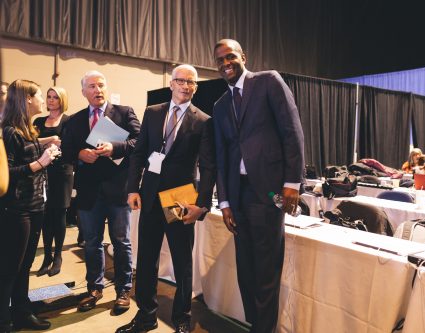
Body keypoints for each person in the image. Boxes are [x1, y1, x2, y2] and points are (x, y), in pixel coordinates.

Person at [212, 39, 304, 333]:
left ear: (243, 56)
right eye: (220, 60)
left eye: (230, 57)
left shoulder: (268, 82)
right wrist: (224, 202)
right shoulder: (220, 104)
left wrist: (292, 183)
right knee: (246, 269)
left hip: (269, 192)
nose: (226, 63)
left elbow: (292, 131)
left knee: (266, 267)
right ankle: (257, 324)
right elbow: (222, 156)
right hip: (237, 194)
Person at [115, 64, 216, 333]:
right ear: (171, 83)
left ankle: (182, 317)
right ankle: (146, 316)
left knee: (182, 260)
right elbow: (138, 154)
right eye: (181, 81)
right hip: (149, 193)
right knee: (147, 259)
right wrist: (132, 189)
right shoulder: (153, 112)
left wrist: (202, 204)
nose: (185, 86)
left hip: (180, 198)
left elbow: (208, 167)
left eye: (191, 82)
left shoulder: (203, 120)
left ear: (195, 87)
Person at [61, 70, 140, 314]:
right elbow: (65, 150)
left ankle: (123, 290)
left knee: (121, 242)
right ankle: (94, 288)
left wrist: (115, 147)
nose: (98, 90)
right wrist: (78, 155)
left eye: (101, 85)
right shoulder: (74, 120)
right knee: (93, 243)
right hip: (88, 193)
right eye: (92, 86)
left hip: (118, 191)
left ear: (107, 87)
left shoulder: (124, 113)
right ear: (84, 92)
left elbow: (139, 142)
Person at [0, 80, 62, 332]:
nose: (43, 101)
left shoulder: (28, 129)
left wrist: (46, 147)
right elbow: (7, 171)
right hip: (17, 208)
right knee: (10, 267)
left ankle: (22, 312)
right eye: (39, 95)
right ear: (27, 98)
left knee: (25, 264)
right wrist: (40, 162)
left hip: (36, 204)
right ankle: (4, 320)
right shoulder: (9, 131)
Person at [33, 87, 74, 277]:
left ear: (62, 100)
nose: (50, 100)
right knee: (44, 215)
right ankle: (47, 255)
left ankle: (58, 256)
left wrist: (54, 143)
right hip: (42, 171)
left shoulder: (69, 121)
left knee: (59, 214)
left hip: (62, 173)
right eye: (48, 97)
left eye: (55, 97)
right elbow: (32, 143)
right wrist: (50, 140)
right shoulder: (39, 121)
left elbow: (70, 146)